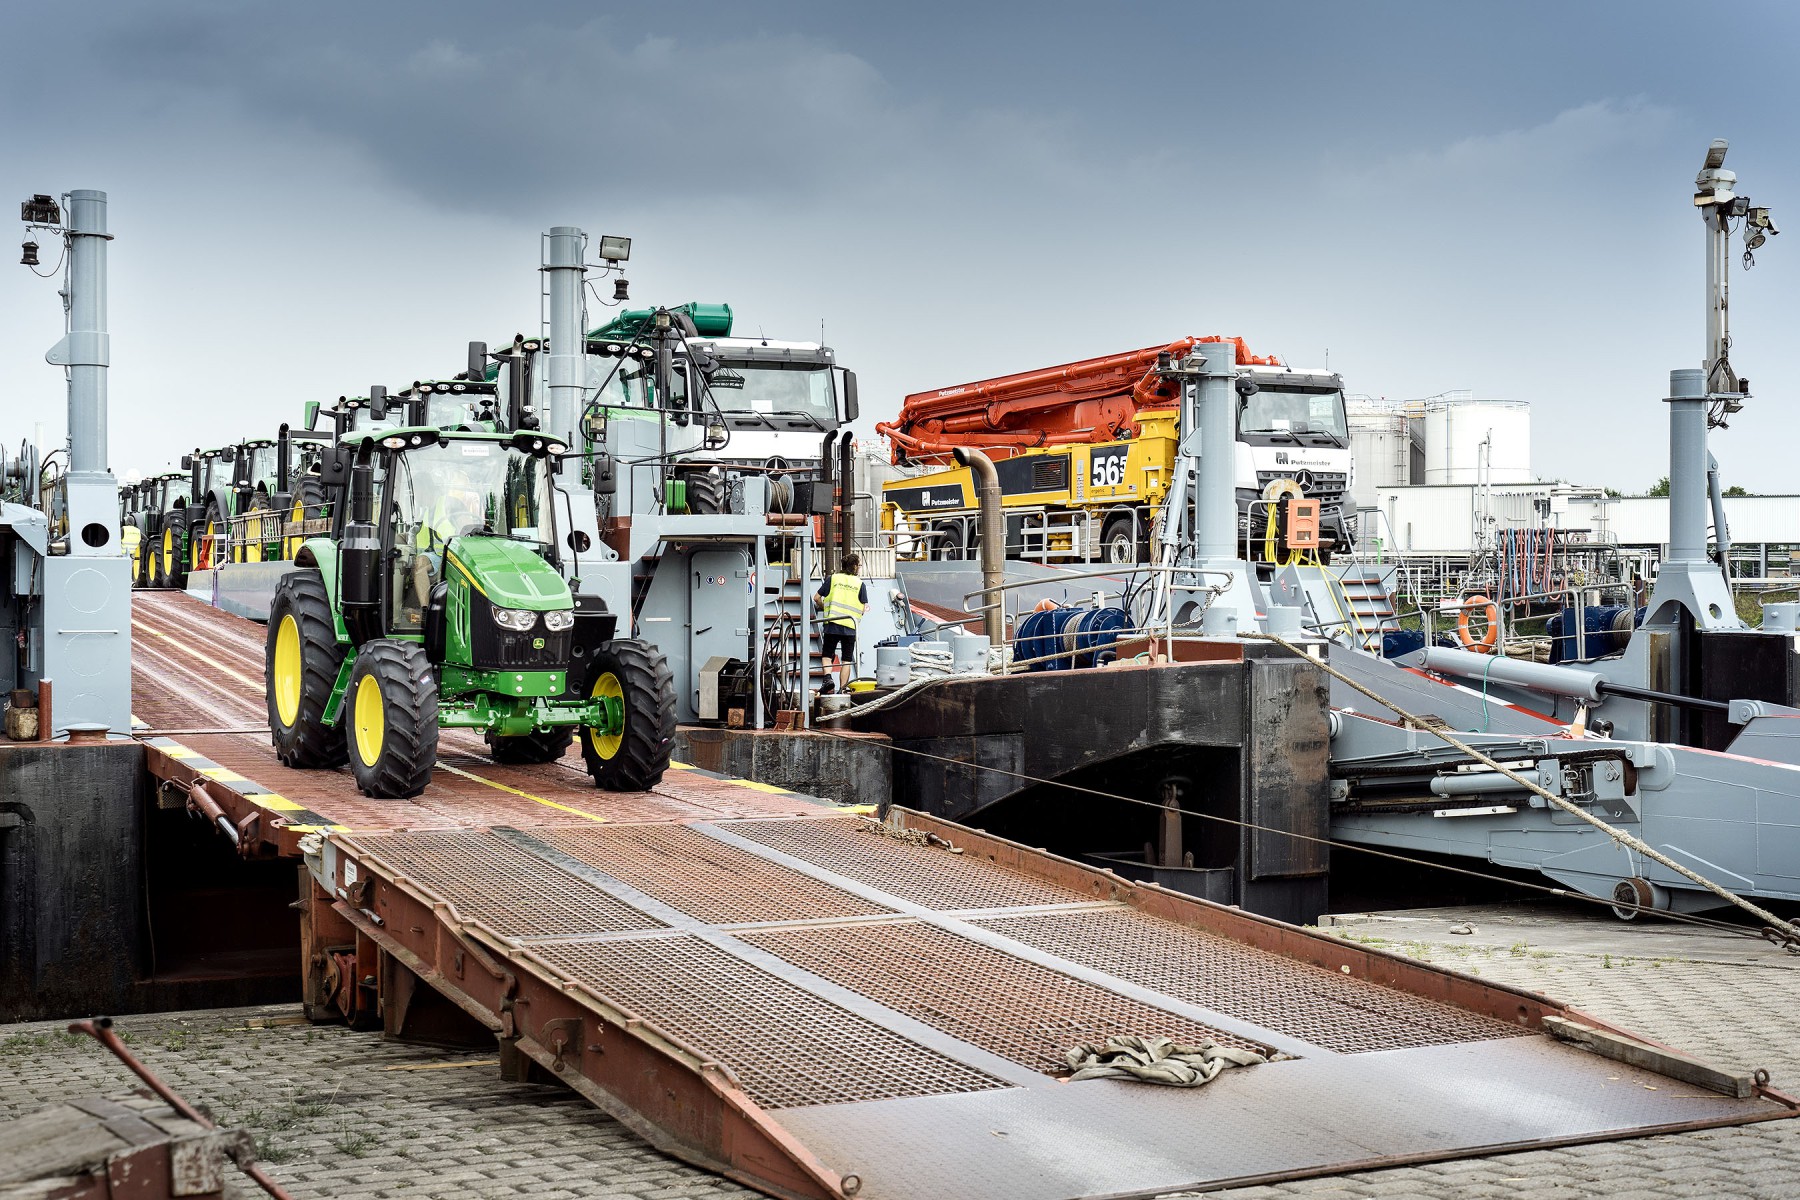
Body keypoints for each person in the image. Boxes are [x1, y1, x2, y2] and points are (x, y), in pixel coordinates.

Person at [816, 552, 867, 692]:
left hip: (832, 624)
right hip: (850, 627)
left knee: (827, 655)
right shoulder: (860, 584)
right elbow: (863, 608)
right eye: (859, 565)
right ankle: (842, 689)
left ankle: (828, 679)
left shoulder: (833, 579)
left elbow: (816, 598)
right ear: (854, 566)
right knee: (846, 660)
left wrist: (824, 607)